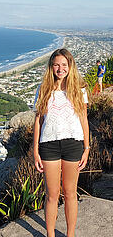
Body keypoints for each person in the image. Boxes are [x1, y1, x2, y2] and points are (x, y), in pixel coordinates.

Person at [33, 48, 90, 237]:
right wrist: (35, 150)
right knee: (52, 195)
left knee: (71, 193)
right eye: (56, 65)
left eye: (64, 65)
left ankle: (70, 234)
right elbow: (38, 120)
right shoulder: (43, 89)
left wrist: (86, 148)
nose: (60, 69)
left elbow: (84, 120)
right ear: (51, 67)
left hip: (73, 144)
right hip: (48, 145)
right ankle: (50, 234)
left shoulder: (79, 89)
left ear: (70, 66)